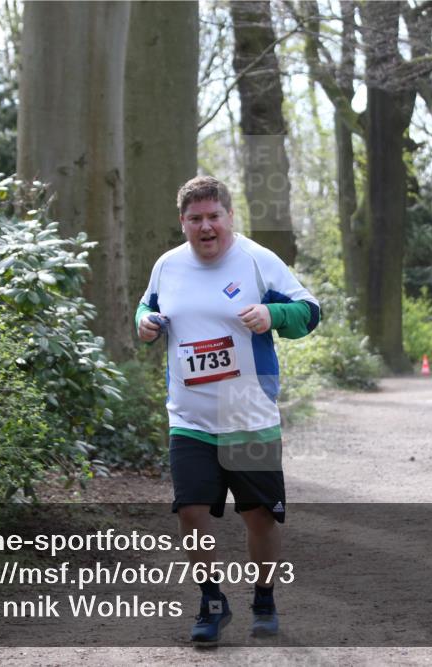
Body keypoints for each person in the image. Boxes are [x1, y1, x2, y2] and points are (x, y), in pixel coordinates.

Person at [135, 175, 320, 642]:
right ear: (182, 222)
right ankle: (212, 603)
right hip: (189, 417)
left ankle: (264, 596)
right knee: (190, 512)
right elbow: (145, 308)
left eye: (214, 216)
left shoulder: (258, 261)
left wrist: (273, 314)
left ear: (230, 216)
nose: (206, 227)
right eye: (195, 218)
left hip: (248, 414)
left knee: (259, 515)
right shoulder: (167, 266)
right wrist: (145, 323)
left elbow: (309, 312)